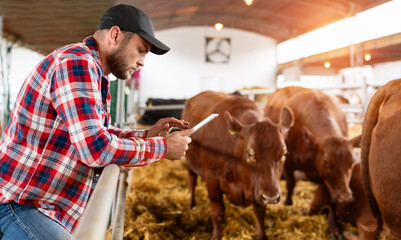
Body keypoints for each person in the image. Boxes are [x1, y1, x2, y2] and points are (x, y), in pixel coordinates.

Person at [0, 4, 193, 240]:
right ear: (115, 35)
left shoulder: (92, 70)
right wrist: (163, 148)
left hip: (44, 204)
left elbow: (99, 132)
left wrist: (148, 135)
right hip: (20, 204)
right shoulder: (76, 63)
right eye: (141, 50)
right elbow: (95, 148)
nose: (143, 62)